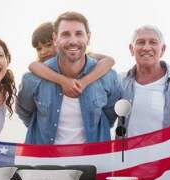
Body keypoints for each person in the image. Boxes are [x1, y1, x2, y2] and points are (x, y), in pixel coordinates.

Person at [16, 11, 122, 144]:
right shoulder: (34, 79)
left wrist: (83, 82)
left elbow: (110, 114)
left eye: (79, 33)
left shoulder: (105, 75)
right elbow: (25, 112)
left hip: (93, 160)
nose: (44, 52)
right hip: (45, 161)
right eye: (65, 34)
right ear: (56, 39)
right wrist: (42, 127)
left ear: (88, 38)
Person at [30, 21, 115, 98]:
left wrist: (83, 82)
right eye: (39, 49)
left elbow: (109, 60)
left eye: (49, 45)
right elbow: (33, 65)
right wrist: (63, 81)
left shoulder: (81, 57)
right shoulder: (41, 68)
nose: (43, 51)